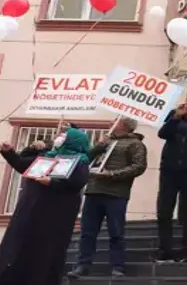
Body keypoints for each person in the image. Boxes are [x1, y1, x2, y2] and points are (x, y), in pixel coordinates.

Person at [0, 128, 91, 285]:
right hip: (31, 209)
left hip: (54, 214)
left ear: (73, 140)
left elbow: (78, 182)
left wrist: (52, 183)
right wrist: (9, 152)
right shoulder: (48, 155)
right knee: (21, 244)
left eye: (64, 136)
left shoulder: (79, 161)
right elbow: (23, 165)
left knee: (45, 249)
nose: (59, 137)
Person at [68, 117, 148, 279]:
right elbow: (86, 159)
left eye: (115, 121)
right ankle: (83, 265)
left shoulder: (135, 144)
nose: (110, 123)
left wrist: (112, 174)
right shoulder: (106, 141)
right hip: (94, 190)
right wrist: (98, 147)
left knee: (116, 232)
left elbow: (139, 166)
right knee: (87, 232)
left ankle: (118, 266)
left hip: (116, 193)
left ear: (124, 126)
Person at [156, 97, 187, 262]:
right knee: (164, 210)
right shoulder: (174, 116)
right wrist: (176, 116)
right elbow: (162, 133)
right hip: (169, 170)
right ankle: (165, 249)